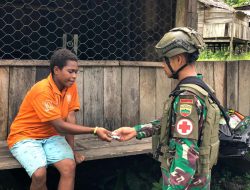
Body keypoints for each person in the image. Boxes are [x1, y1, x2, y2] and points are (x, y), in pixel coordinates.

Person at [113, 27, 221, 189]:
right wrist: (137, 131)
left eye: (165, 59)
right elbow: (173, 124)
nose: (162, 65)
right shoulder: (201, 88)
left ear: (178, 59)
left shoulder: (187, 98)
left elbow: (186, 154)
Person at [7, 49, 112, 190]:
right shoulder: (43, 90)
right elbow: (60, 126)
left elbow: (70, 117)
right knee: (39, 174)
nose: (74, 76)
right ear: (56, 70)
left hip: (51, 137)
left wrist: (71, 149)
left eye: (76, 72)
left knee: (69, 166)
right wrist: (94, 130)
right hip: (25, 137)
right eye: (70, 71)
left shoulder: (70, 86)